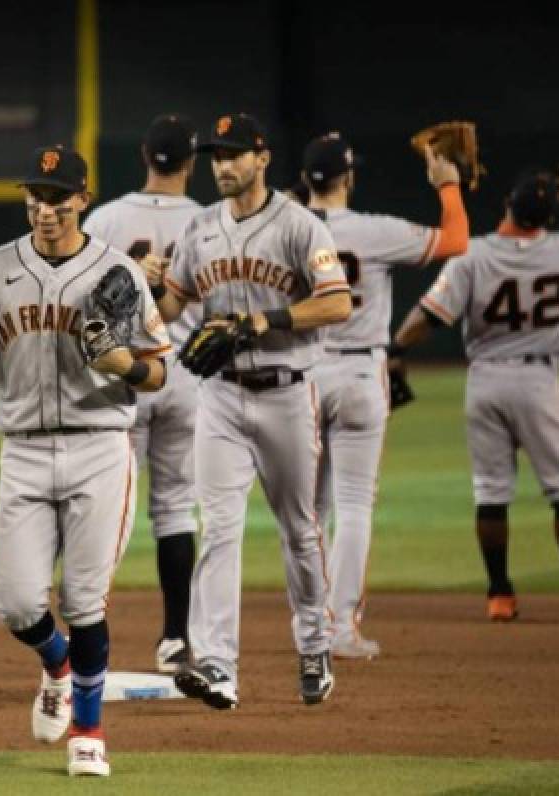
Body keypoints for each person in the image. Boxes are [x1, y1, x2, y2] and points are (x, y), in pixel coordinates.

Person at [0, 145, 170, 777]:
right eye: (34, 194)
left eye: (56, 196)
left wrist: (123, 365)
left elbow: (158, 369)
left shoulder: (118, 272)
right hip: (23, 451)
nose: (43, 207)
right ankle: (56, 664)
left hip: (98, 448)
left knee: (85, 601)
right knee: (18, 604)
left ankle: (88, 727)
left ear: (83, 199)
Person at [153, 113, 352, 709]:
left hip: (289, 393)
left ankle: (314, 645)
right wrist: (149, 286)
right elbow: (171, 305)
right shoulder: (199, 228)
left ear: (263, 159)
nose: (224, 164)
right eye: (217, 155)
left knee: (300, 529)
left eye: (236, 153)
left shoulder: (298, 225)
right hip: (220, 397)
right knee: (219, 529)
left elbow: (337, 303)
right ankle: (217, 665)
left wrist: (268, 320)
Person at [392, 169, 559, 623]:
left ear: (508, 203)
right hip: (539, 382)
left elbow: (430, 316)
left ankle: (499, 596)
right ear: (548, 217)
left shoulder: (472, 253)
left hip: (485, 380)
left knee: (491, 492)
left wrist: (394, 349)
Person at [303, 131, 468, 658]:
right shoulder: (374, 230)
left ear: (307, 180)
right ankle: (342, 630)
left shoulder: (285, 229)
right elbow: (455, 241)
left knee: (307, 510)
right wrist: (448, 186)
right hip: (358, 373)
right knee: (352, 506)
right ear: (349, 179)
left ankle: (309, 627)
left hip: (302, 376)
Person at [82, 113, 201, 673]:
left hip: (121, 376)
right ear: (193, 162)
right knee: (176, 508)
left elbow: (80, 300)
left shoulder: (105, 218)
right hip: (184, 376)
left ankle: (88, 637)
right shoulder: (210, 221)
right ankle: (176, 638)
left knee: (106, 512)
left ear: (144, 158)